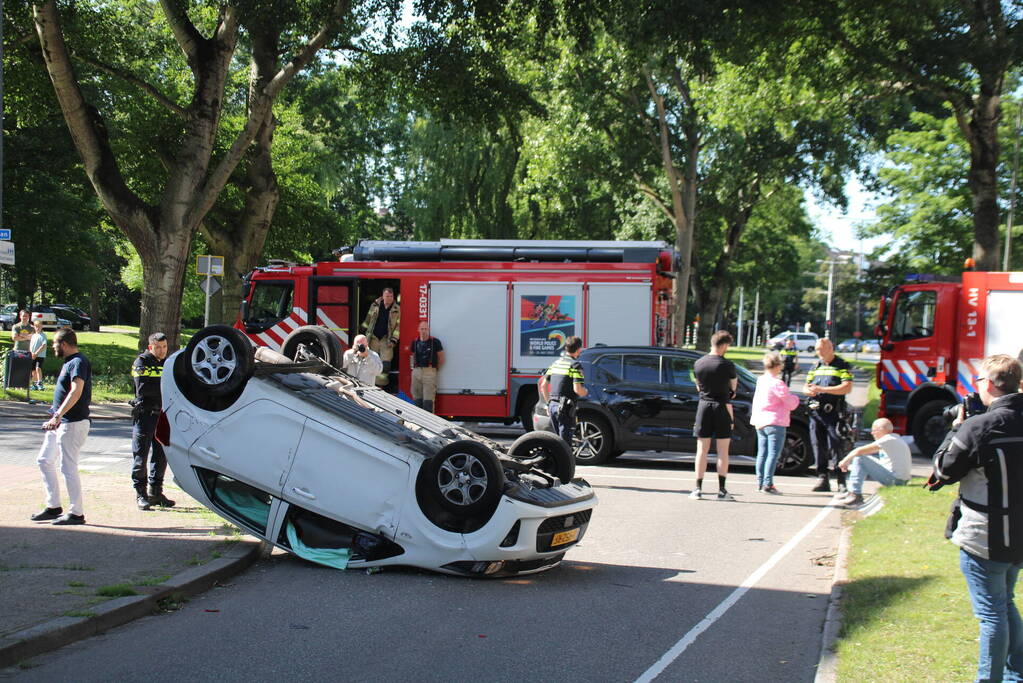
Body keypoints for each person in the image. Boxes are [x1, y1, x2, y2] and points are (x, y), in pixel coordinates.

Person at [928, 354, 1023, 682]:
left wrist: (955, 429)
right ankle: (1015, 674)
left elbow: (943, 470)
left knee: (992, 615)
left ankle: (991, 679)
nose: (976, 386)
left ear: (993, 385)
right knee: (1005, 603)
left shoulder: (979, 426)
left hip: (986, 536)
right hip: (1018, 536)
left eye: (980, 380)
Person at [30, 328, 91, 525]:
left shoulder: (78, 362)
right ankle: (53, 506)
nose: (53, 347)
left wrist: (57, 415)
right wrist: (54, 415)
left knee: (68, 467)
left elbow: (76, 391)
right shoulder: (70, 362)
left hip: (72, 423)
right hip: (59, 423)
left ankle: (76, 513)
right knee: (44, 460)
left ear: (63, 344)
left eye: (55, 343)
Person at [691, 330, 738, 501]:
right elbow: (733, 389)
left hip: (703, 407)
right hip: (722, 407)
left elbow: (698, 386)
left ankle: (697, 489)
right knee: (722, 451)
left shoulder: (698, 364)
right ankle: (722, 490)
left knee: (701, 450)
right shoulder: (727, 365)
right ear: (724, 345)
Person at [804, 337, 854, 493]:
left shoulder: (841, 365)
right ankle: (822, 478)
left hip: (834, 412)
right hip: (816, 413)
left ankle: (841, 480)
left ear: (830, 349)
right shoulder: (815, 365)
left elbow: (847, 388)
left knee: (835, 446)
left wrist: (823, 390)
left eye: (821, 349)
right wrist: (810, 391)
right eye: (817, 349)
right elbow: (806, 386)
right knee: (818, 446)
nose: (818, 352)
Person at [130, 332, 174, 511]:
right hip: (145, 414)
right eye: (157, 347)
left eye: (164, 347)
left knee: (160, 454)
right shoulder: (141, 362)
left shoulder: (168, 363)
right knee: (141, 455)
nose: (162, 351)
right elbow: (143, 389)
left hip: (162, 414)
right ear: (150, 347)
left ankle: (156, 492)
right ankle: (141, 494)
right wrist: (164, 389)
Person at [751, 351, 801, 494]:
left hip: (760, 420)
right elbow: (790, 403)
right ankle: (768, 483)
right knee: (773, 454)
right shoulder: (777, 383)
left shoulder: (761, 380)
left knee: (762, 453)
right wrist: (796, 398)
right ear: (777, 366)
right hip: (775, 421)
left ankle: (760, 482)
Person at [836, 418, 912, 507]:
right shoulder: (895, 438)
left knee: (860, 458)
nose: (872, 433)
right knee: (863, 459)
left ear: (881, 430)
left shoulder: (888, 439)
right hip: (900, 480)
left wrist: (844, 461)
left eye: (874, 430)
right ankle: (851, 491)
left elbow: (859, 451)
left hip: (896, 480)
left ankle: (855, 494)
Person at [538, 336, 587, 448]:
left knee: (558, 443)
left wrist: (548, 403)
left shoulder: (555, 363)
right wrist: (585, 392)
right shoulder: (575, 366)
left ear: (566, 348)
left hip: (553, 406)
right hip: (565, 408)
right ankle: (566, 465)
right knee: (565, 446)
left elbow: (543, 385)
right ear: (579, 349)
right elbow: (577, 389)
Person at [362, 288, 399, 387]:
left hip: (386, 339)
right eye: (387, 296)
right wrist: (362, 332)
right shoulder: (374, 306)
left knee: (385, 365)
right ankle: (370, 384)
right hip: (373, 338)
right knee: (372, 361)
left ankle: (381, 386)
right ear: (383, 296)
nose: (389, 298)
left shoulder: (397, 309)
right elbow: (368, 320)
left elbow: (398, 327)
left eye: (391, 296)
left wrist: (393, 340)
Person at [409, 321, 444, 412]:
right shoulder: (415, 342)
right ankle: (417, 421)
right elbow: (412, 356)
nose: (424, 331)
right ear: (418, 330)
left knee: (428, 400)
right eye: (422, 329)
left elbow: (441, 358)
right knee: (417, 398)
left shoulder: (435, 342)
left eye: (425, 329)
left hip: (429, 372)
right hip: (416, 372)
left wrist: (434, 370)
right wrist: (413, 369)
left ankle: (428, 423)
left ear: (428, 330)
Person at [29, 319, 47, 391]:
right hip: (33, 355)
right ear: (34, 326)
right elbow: (31, 345)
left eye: (39, 326)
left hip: (40, 355)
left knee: (38, 368)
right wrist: (31, 353)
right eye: (36, 326)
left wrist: (36, 353)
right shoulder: (34, 335)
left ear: (42, 326)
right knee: (33, 370)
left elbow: (43, 345)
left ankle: (40, 383)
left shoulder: (43, 335)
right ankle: (34, 384)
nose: (37, 327)